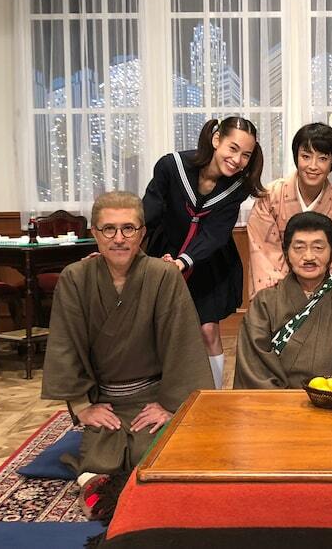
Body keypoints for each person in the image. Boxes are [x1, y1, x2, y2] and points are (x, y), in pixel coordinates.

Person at [41, 191, 213, 514]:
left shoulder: (163, 276)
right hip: (105, 398)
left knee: (157, 452)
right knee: (100, 457)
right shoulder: (75, 279)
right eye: (109, 229)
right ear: (94, 233)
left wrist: (169, 406)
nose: (119, 238)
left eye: (128, 229)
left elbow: (182, 342)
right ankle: (99, 486)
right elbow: (65, 344)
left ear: (142, 233)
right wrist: (83, 407)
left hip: (153, 396)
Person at [143, 117, 264, 389]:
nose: (237, 160)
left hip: (207, 259)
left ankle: (214, 395)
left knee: (208, 330)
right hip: (164, 253)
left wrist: (183, 262)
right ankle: (163, 392)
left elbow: (216, 232)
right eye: (233, 148)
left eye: (246, 155)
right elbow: (148, 213)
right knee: (159, 329)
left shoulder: (238, 187)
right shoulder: (171, 166)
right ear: (216, 139)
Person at [235, 211, 332, 389]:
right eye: (299, 248)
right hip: (278, 401)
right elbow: (253, 367)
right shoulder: (265, 302)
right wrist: (282, 402)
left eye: (318, 248)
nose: (308, 257)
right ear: (286, 253)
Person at [247, 122, 332, 299]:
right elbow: (264, 254)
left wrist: (318, 298)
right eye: (306, 156)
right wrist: (289, 298)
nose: (313, 166)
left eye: (322, 159)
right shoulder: (271, 197)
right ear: (296, 157)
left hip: (325, 298)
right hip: (278, 296)